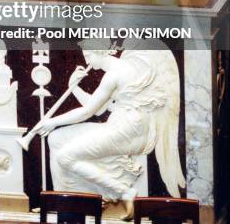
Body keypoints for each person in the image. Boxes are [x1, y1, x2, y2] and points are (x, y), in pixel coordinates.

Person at [35, 42, 185, 219]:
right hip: (123, 126)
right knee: (55, 138)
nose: (86, 60)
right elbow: (98, 109)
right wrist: (74, 87)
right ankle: (66, 201)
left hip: (127, 130)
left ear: (100, 52)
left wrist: (52, 121)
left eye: (89, 55)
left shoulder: (114, 73)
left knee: (65, 157)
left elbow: (88, 111)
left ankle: (124, 192)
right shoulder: (124, 65)